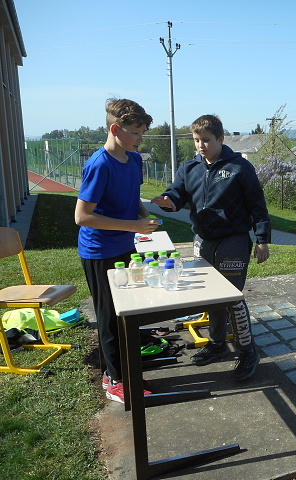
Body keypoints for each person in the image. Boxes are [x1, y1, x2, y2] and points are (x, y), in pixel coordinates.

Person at [151, 114, 270, 381]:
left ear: (220, 138)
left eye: (206, 140)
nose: (200, 145)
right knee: (209, 297)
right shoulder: (189, 167)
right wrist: (168, 200)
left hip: (233, 240)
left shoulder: (240, 167)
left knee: (231, 298)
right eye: (196, 140)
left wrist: (262, 240)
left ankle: (248, 352)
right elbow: (178, 192)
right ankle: (217, 345)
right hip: (203, 239)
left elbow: (258, 205)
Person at [75, 98, 158, 403]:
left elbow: (132, 197)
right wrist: (133, 226)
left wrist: (142, 216)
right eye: (135, 133)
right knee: (109, 317)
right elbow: (82, 216)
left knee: (128, 313)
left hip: (125, 246)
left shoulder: (133, 159)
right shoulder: (99, 164)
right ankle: (115, 380)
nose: (140, 139)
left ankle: (123, 370)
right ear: (115, 130)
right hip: (99, 251)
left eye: (142, 133)